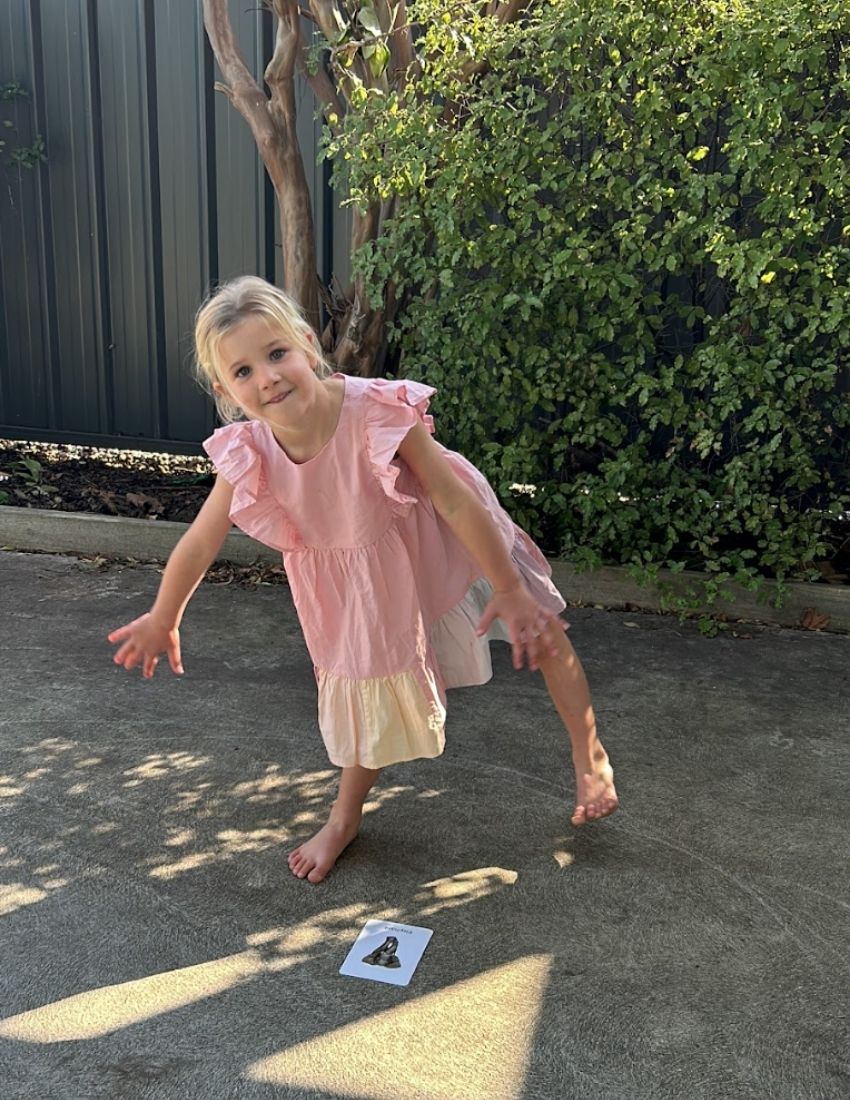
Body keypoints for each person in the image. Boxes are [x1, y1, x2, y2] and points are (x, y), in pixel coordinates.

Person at [108, 276, 618, 884]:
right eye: (243, 372)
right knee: (366, 696)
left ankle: (590, 756)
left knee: (540, 628)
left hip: (442, 536)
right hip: (365, 582)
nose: (267, 377)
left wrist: (507, 586)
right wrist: (165, 615)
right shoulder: (248, 450)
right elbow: (201, 539)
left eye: (276, 354)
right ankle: (344, 818)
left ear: (304, 345)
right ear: (226, 391)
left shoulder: (375, 410)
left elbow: (454, 502)